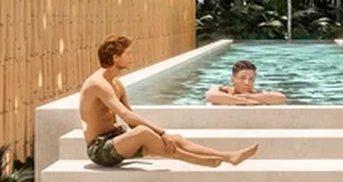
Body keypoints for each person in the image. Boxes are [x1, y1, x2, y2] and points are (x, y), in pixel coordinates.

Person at [80, 35, 257, 168]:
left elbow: (130, 117)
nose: (131, 57)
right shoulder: (98, 84)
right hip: (99, 148)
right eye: (128, 54)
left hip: (118, 139)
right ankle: (199, 160)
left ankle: (227, 156)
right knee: (146, 132)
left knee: (176, 139)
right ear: (115, 58)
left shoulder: (117, 83)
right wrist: (162, 133)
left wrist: (160, 138)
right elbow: (125, 114)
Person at [205, 59, 287, 106]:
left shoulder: (257, 94)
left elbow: (281, 98)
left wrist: (247, 96)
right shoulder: (224, 91)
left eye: (251, 79)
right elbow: (210, 96)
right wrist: (244, 101)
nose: (247, 83)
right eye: (242, 78)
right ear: (233, 79)